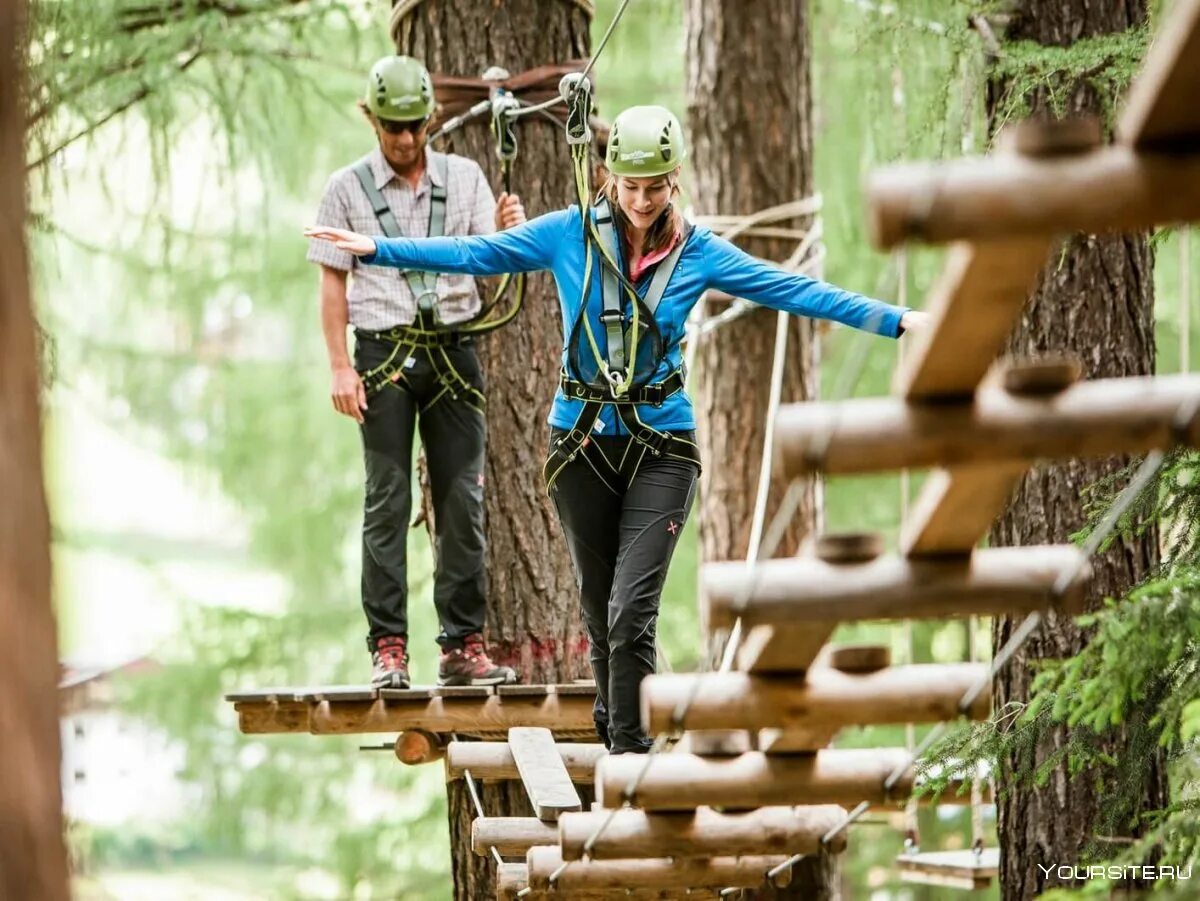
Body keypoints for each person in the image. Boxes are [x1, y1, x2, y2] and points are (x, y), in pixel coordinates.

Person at [306, 104, 931, 748]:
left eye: (654, 186)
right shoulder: (568, 235)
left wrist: (896, 319)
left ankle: (631, 757)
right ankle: (618, 731)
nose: (640, 199)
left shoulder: (699, 251)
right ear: (608, 175)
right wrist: (380, 249)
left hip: (662, 446)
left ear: (675, 179)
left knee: (632, 610)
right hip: (581, 444)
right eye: (629, 185)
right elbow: (478, 252)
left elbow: (794, 289)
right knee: (601, 610)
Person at [306, 55, 527, 689]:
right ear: (372, 121)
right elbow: (332, 283)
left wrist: (507, 232)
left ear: (430, 119)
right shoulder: (346, 189)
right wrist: (339, 366)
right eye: (391, 127)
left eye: (413, 126)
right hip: (383, 358)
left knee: (464, 499)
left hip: (454, 353)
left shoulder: (465, 179)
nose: (404, 140)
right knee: (387, 500)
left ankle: (462, 646)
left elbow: (491, 263)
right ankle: (389, 650)